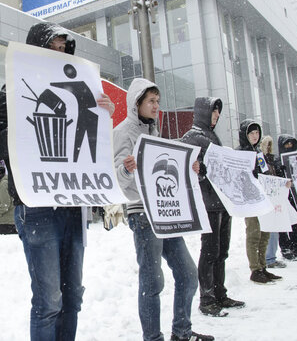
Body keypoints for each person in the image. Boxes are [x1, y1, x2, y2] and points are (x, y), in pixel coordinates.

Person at [0, 21, 115, 340]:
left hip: (72, 204)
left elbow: (94, 147)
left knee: (73, 299)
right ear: (36, 50)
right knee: (49, 301)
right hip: (37, 206)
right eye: (51, 47)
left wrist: (105, 113)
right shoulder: (15, 88)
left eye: (62, 48)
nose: (58, 53)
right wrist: (22, 131)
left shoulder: (81, 89)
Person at [113, 79, 213, 341]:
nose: (156, 106)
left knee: (188, 275)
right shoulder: (124, 131)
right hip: (143, 214)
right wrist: (126, 169)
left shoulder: (154, 132)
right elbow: (117, 177)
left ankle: (181, 332)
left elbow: (164, 170)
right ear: (137, 103)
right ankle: (152, 338)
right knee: (152, 281)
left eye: (158, 101)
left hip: (165, 213)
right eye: (151, 101)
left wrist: (187, 170)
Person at [180, 97, 244, 317]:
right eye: (213, 112)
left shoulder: (211, 137)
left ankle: (219, 293)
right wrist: (203, 170)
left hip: (222, 202)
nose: (216, 116)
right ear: (203, 113)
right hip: (207, 204)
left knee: (221, 251)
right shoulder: (191, 138)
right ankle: (207, 299)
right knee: (210, 251)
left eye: (218, 113)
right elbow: (186, 169)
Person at [237, 121, 282, 284]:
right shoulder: (240, 153)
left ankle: (263, 266)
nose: (255, 136)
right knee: (254, 234)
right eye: (251, 133)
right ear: (245, 135)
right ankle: (255, 269)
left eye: (257, 133)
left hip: (263, 198)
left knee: (265, 233)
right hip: (250, 201)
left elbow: (264, 173)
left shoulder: (258, 153)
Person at [274, 135, 297, 260]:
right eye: (287, 144)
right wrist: (281, 170)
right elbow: (275, 177)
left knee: (294, 222)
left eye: (291, 144)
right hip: (284, 196)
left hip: (296, 195)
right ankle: (285, 248)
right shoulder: (277, 160)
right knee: (284, 223)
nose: (289, 147)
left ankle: (295, 246)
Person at [260, 136, 288, 269]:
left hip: (274, 197)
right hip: (266, 197)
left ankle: (271, 256)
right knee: (269, 229)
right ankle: (268, 257)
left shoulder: (273, 159)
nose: (269, 147)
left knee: (274, 228)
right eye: (267, 145)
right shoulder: (260, 159)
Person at [0, 163, 17, 234]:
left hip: (6, 220)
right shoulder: (7, 181)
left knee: (5, 242)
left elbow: (5, 203)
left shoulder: (3, 184)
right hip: (10, 219)